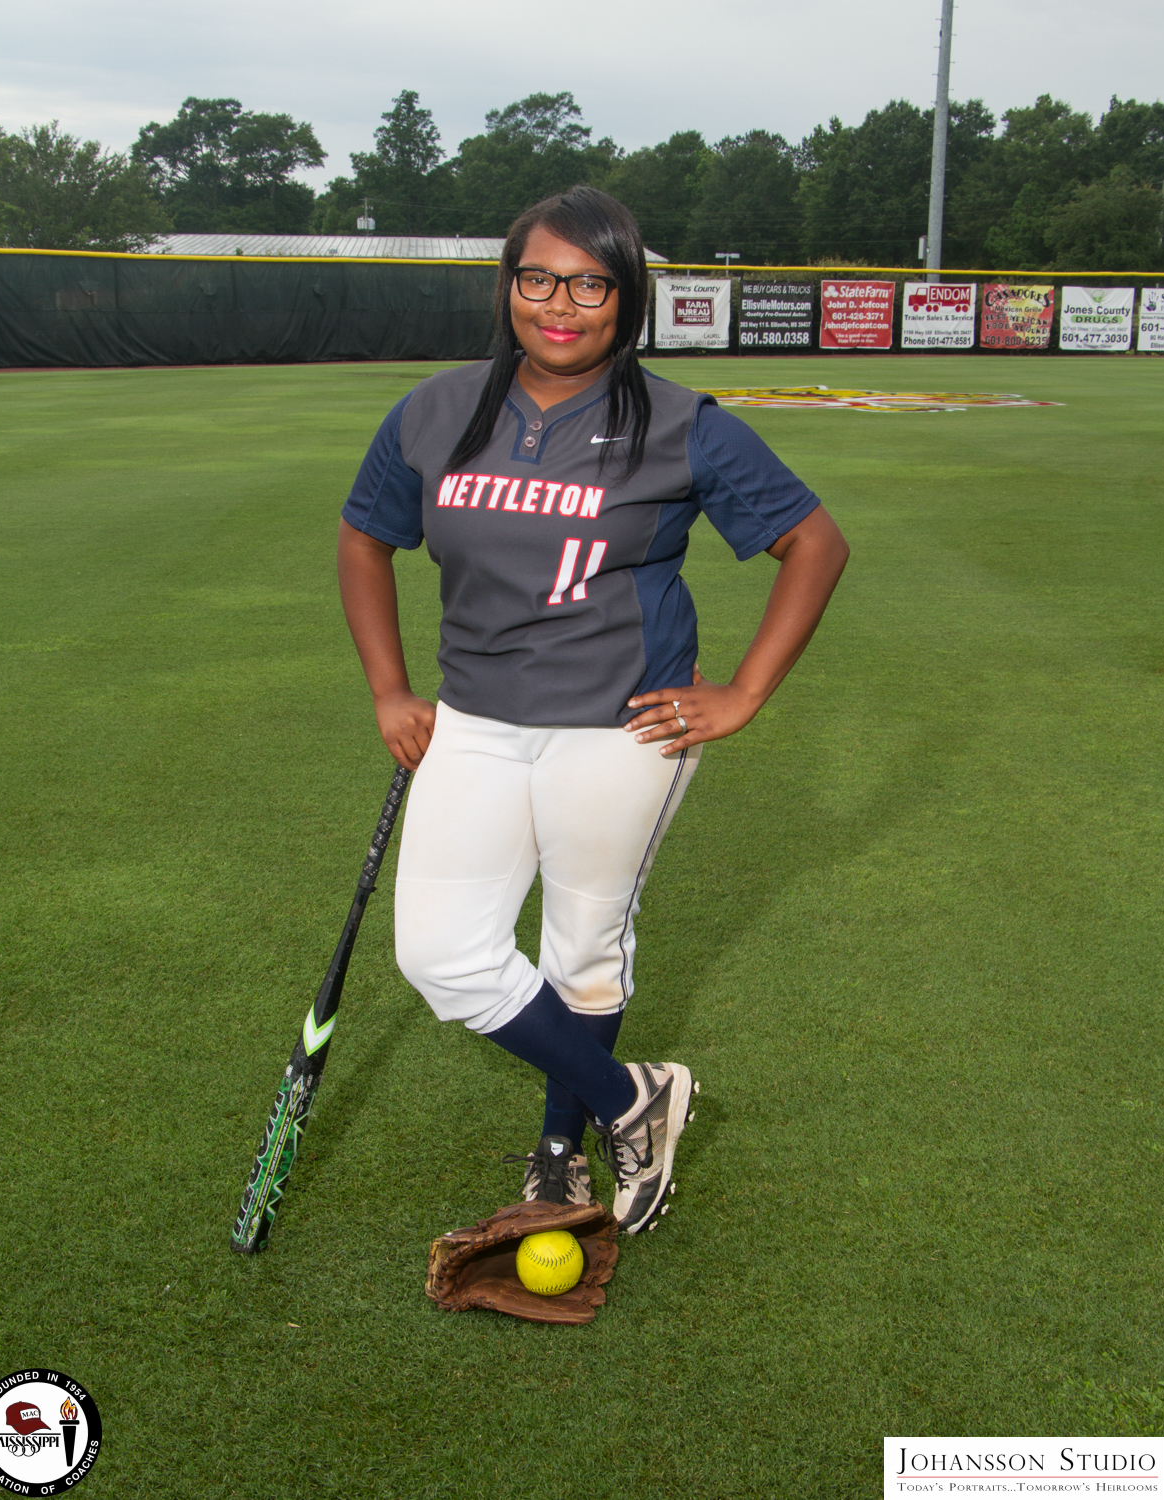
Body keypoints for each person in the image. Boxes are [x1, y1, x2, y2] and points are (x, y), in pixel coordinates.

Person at [338, 186, 849, 1234]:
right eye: (538, 278)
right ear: (507, 286)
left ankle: (561, 1151)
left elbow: (815, 543)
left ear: (627, 298)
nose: (559, 305)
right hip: (475, 721)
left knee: (582, 949)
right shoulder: (434, 409)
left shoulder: (682, 422)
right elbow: (363, 537)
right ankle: (635, 1100)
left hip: (624, 728)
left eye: (589, 284)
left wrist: (744, 691)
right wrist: (389, 687)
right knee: (441, 955)